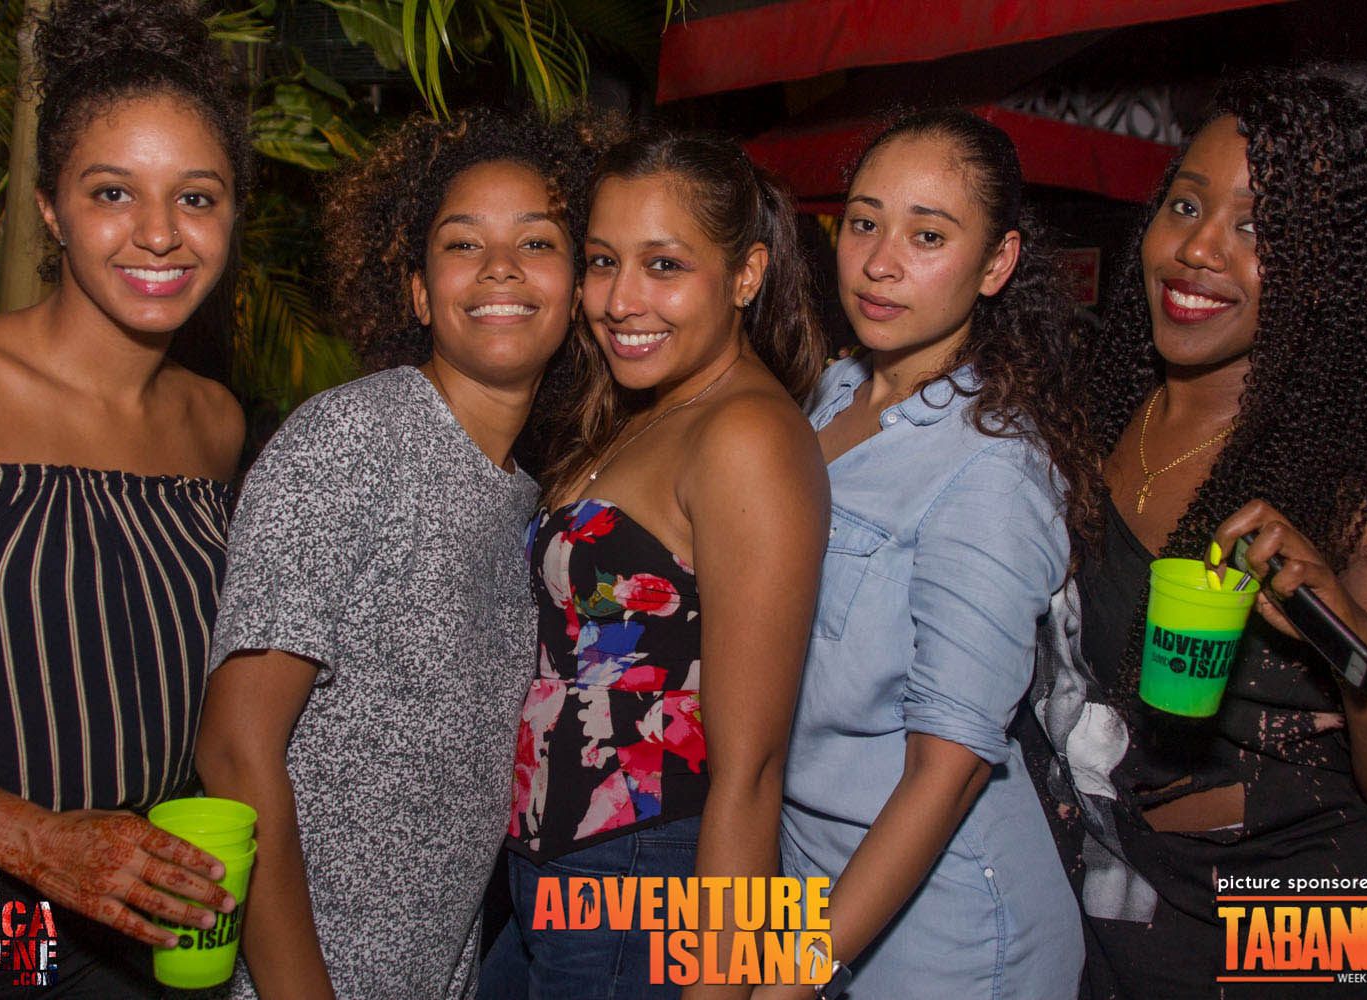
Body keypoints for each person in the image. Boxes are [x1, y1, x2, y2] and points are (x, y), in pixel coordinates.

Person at [1023, 68, 1367, 999]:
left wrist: (1359, 644)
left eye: (1259, 229)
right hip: (1119, 923)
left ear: (1332, 271)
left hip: (1312, 936)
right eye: (1186, 205)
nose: (1198, 247)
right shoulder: (1096, 413)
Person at [194, 108, 609, 1000]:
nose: (500, 266)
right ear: (420, 295)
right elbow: (233, 746)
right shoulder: (351, 439)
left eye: (537, 242)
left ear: (578, 290)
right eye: (463, 244)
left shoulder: (528, 501)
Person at [0, 0, 251, 995]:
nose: (159, 233)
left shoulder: (214, 423)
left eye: (196, 198)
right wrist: (31, 839)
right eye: (113, 192)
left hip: (144, 922)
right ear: (50, 210)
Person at [749, 110, 1099, 1000]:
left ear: (997, 262)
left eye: (929, 235)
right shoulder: (828, 396)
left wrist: (790, 978)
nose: (879, 262)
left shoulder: (993, 468)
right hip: (805, 878)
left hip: (945, 936)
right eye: (864, 222)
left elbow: (949, 773)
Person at [480, 132, 829, 1000]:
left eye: (664, 265)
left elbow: (752, 771)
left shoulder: (748, 434)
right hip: (556, 871)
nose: (620, 300)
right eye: (603, 261)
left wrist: (723, 984)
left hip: (645, 873)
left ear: (746, 275)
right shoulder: (645, 409)